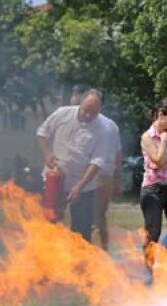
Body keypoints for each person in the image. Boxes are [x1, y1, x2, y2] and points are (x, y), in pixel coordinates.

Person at [37, 88, 111, 241]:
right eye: (87, 110)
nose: (89, 115)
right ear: (80, 102)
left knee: (82, 230)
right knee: (50, 222)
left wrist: (80, 186)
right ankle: (48, 259)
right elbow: (42, 133)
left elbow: (97, 161)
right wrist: (47, 154)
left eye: (94, 112)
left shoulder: (103, 129)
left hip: (84, 185)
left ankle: (80, 263)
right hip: (55, 180)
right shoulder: (62, 113)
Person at [139, 100, 167, 268]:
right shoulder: (147, 137)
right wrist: (164, 141)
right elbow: (157, 159)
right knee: (153, 234)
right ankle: (148, 273)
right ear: (160, 114)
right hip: (153, 191)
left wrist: (165, 164)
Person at [91, 108, 122, 251]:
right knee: (99, 217)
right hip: (105, 175)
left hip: (99, 175)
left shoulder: (105, 125)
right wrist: (116, 179)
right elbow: (118, 154)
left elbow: (117, 154)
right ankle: (102, 251)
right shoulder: (111, 125)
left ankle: (99, 252)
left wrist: (116, 180)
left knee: (94, 217)